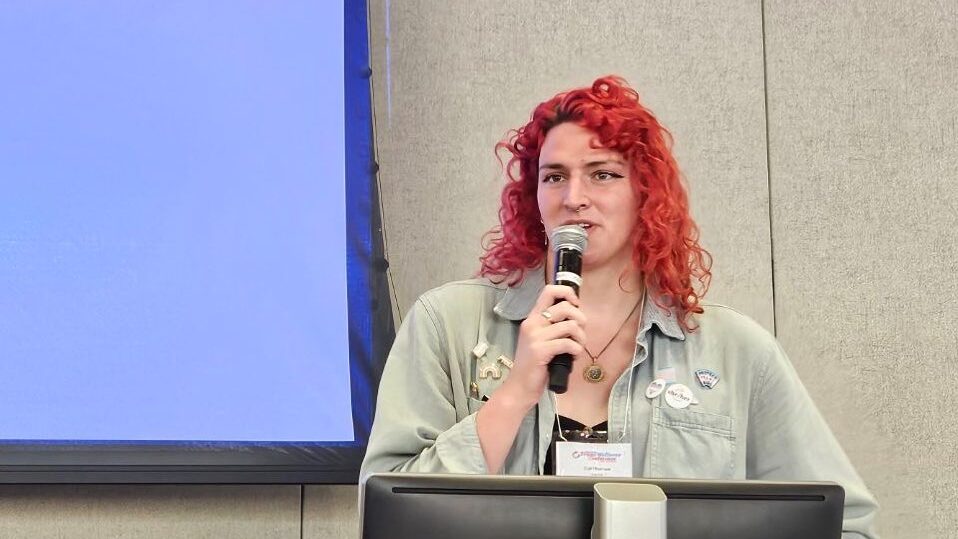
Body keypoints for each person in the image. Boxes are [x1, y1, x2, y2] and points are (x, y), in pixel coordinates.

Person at [360, 76, 878, 537]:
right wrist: (515, 394)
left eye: (603, 174)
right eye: (554, 176)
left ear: (645, 194)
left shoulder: (733, 351)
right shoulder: (446, 325)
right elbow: (386, 513)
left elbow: (849, 526)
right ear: (533, 197)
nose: (574, 197)